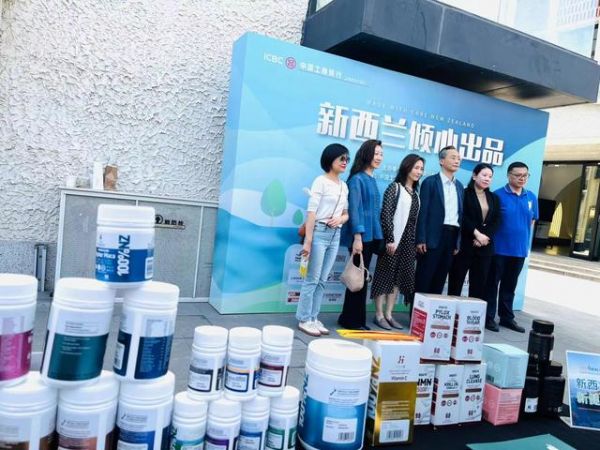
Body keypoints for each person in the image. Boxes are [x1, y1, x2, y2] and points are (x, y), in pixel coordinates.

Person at [296, 143, 350, 337]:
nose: (345, 162)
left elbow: (346, 214)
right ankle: (304, 318)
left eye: (347, 159)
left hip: (336, 235)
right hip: (319, 232)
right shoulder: (320, 181)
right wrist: (308, 241)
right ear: (330, 159)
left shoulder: (344, 186)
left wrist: (340, 219)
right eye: (341, 158)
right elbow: (312, 212)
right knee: (312, 279)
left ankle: (313, 317)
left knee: (322, 280)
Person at [371, 154, 424, 330]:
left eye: (421, 169)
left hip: (409, 242)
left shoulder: (416, 194)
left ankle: (389, 314)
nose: (419, 172)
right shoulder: (394, 188)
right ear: (407, 167)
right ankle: (379, 315)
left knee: (397, 280)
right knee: (384, 277)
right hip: (394, 241)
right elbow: (386, 214)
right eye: (416, 168)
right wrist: (390, 239)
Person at [484, 162, 538, 333]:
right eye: (518, 175)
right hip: (498, 249)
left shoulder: (531, 197)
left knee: (510, 285)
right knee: (492, 285)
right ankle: (488, 317)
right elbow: (490, 221)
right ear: (509, 175)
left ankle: (507, 318)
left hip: (519, 250)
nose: (522, 178)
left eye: (525, 175)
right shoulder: (497, 195)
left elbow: (532, 220)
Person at [337, 139, 384, 330]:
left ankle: (351, 318)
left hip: (371, 237)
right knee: (357, 279)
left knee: (361, 278)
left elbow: (374, 212)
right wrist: (357, 237)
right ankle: (352, 320)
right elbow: (354, 210)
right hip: (360, 238)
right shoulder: (357, 179)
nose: (379, 157)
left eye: (381, 154)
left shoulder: (371, 179)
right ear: (366, 154)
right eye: (376, 153)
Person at [415, 146, 464, 295]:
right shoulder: (430, 182)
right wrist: (421, 239)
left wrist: (457, 242)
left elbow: (460, 215)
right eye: (453, 158)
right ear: (442, 161)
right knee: (424, 279)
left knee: (440, 279)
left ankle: (433, 309)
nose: (457, 161)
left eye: (458, 158)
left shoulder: (459, 186)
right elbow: (423, 212)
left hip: (451, 235)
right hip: (432, 237)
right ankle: (417, 310)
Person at [448, 163, 500, 299]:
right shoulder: (464, 194)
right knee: (456, 283)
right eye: (484, 175)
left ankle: (472, 312)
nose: (487, 179)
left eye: (490, 176)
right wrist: (476, 234)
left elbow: (496, 220)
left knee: (479, 287)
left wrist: (484, 237)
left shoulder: (494, 198)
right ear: (474, 176)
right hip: (465, 245)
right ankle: (452, 311)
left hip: (485, 247)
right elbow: (462, 217)